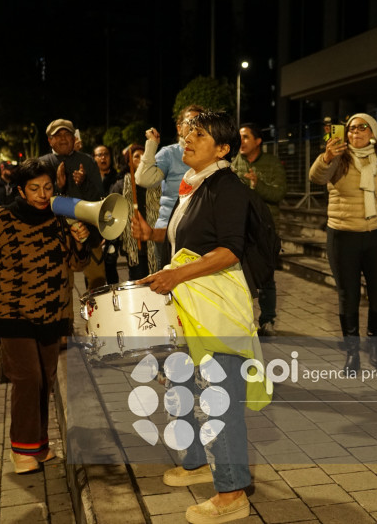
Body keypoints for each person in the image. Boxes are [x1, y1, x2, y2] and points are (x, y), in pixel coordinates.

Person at [131, 111, 258, 524]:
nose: (186, 140)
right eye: (186, 133)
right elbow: (192, 240)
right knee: (187, 388)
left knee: (220, 401)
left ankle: (232, 494)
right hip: (193, 307)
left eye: (197, 135)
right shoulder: (195, 184)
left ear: (222, 149)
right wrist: (151, 237)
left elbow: (229, 250)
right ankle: (201, 464)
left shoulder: (227, 187)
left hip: (217, 310)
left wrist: (174, 275)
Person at [0, 158, 90, 474]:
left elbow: (78, 264)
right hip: (13, 312)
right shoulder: (0, 218)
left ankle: (40, 446)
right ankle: (21, 448)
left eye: (47, 187)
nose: (41, 194)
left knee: (45, 380)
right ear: (21, 190)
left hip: (54, 311)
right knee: (28, 378)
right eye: (34, 188)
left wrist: (81, 240)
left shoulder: (61, 219)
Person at [309, 113, 377, 374]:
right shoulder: (337, 158)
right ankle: (351, 353)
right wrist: (326, 157)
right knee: (348, 296)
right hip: (343, 235)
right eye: (350, 128)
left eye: (362, 127)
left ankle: (374, 342)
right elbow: (316, 177)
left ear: (373, 133)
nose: (355, 132)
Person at [232, 123, 286, 336]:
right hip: (240, 227)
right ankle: (244, 320)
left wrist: (256, 185)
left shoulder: (272, 163)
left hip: (266, 229)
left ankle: (268, 320)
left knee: (265, 278)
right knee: (239, 277)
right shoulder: (234, 163)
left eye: (246, 137)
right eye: (240, 138)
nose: (242, 142)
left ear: (258, 141)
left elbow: (279, 193)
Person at [135, 104, 204, 269]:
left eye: (200, 122)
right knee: (168, 284)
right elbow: (143, 179)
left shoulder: (210, 153)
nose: (195, 126)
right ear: (179, 128)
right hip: (167, 232)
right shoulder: (169, 153)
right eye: (190, 122)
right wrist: (151, 145)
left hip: (200, 232)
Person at [39, 118, 105, 290]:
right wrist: (57, 187)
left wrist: (83, 183)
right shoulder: (41, 164)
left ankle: (97, 317)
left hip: (88, 234)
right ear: (49, 140)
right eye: (57, 135)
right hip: (55, 236)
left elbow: (99, 197)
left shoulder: (87, 161)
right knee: (56, 287)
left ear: (74, 138)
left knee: (97, 284)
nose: (62, 138)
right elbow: (37, 200)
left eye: (67, 134)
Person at [110, 144, 150, 281]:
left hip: (155, 241)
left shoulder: (156, 182)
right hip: (134, 245)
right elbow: (113, 212)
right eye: (136, 156)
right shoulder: (121, 185)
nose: (141, 158)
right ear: (129, 162)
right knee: (139, 282)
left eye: (144, 155)